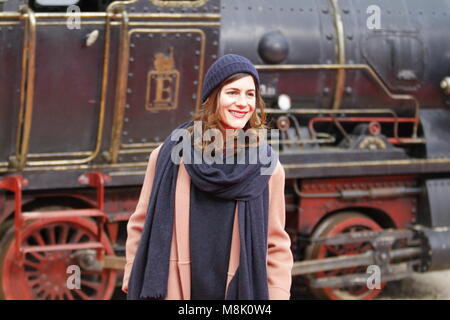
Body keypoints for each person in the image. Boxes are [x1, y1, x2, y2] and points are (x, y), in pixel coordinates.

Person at [122, 54, 293, 300]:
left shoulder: (267, 168)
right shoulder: (170, 155)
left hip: (237, 293)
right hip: (176, 289)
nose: (242, 102)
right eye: (232, 92)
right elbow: (141, 221)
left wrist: (277, 294)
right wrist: (133, 273)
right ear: (213, 97)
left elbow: (276, 244)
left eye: (250, 94)